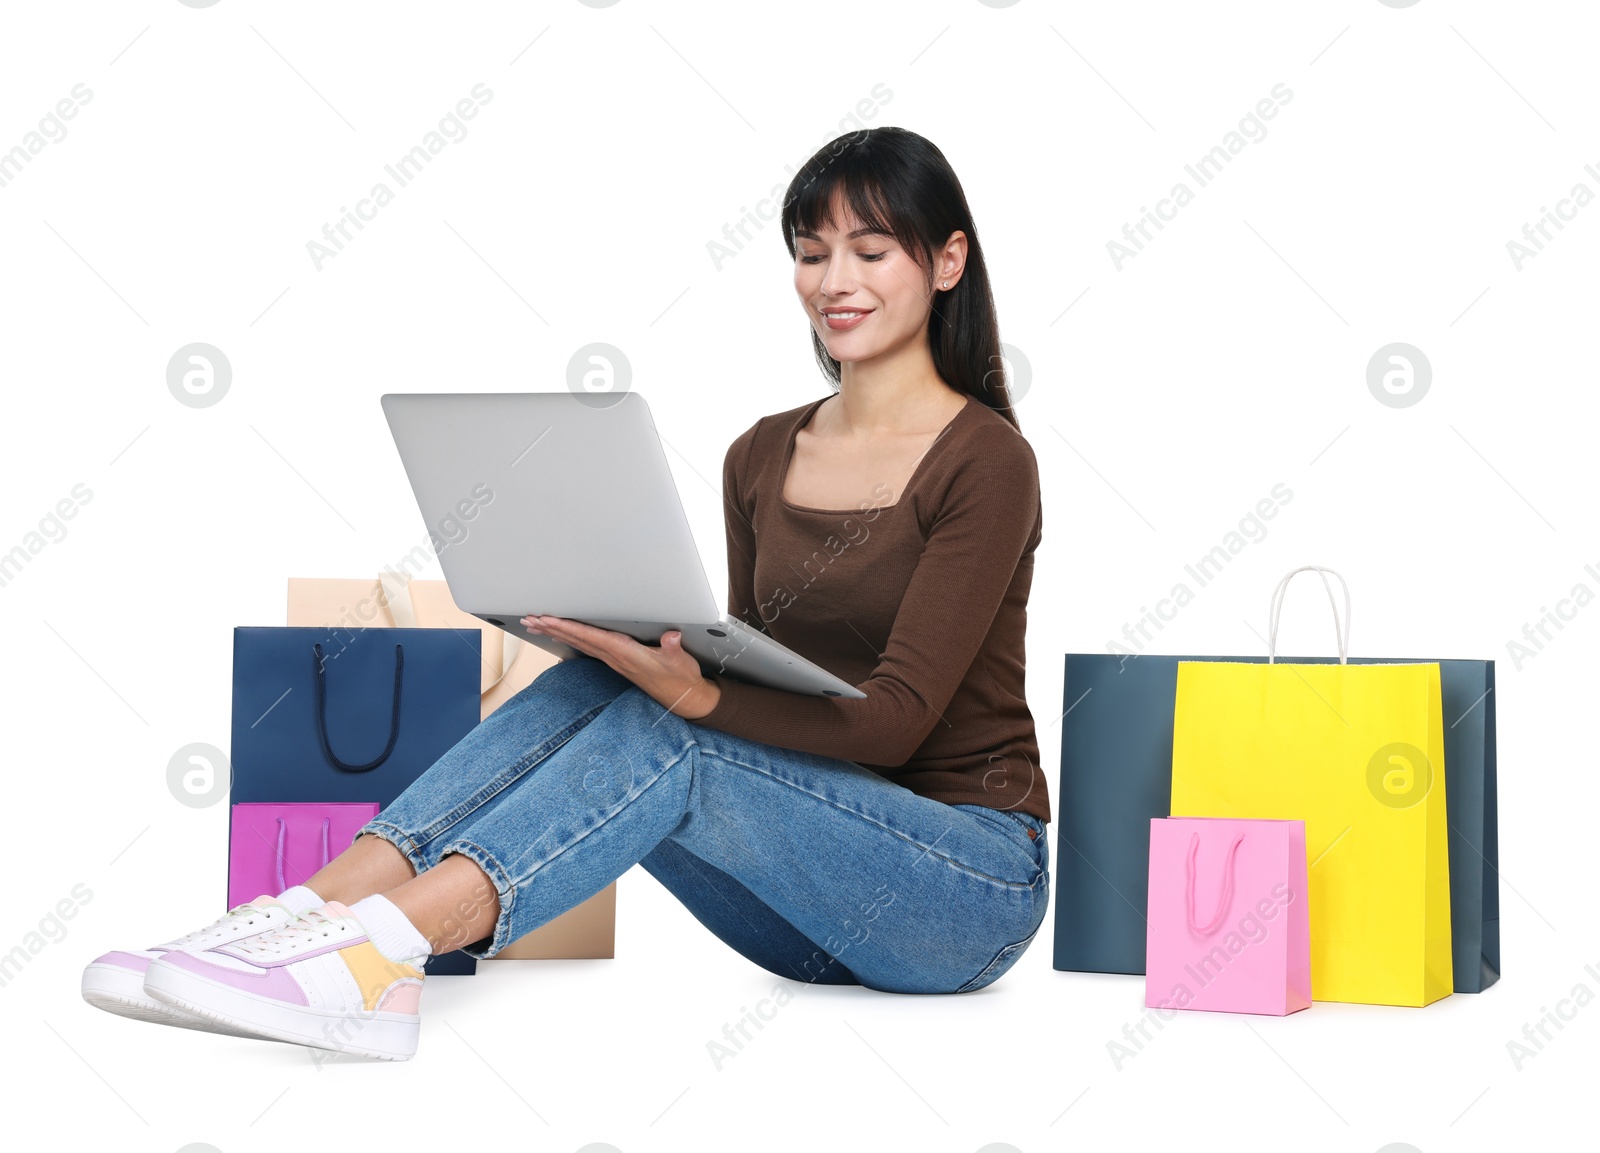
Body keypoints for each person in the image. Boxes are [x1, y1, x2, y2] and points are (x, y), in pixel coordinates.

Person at [80, 126, 1051, 1061]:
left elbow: (888, 727)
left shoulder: (986, 461)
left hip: (965, 888)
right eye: (810, 252)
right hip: (803, 911)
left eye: (871, 251)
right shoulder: (759, 453)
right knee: (619, 688)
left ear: (947, 261)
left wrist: (697, 699)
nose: (833, 281)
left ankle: (378, 959)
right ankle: (306, 918)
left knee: (674, 730)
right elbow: (773, 681)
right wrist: (636, 651)